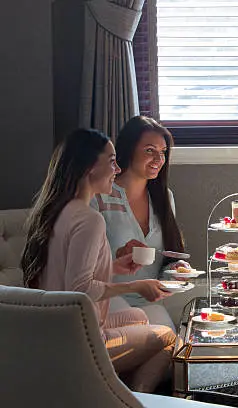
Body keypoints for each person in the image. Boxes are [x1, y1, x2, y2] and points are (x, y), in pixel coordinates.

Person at [21, 129, 176, 393]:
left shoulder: (57, 211)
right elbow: (80, 289)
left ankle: (109, 392)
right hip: (81, 339)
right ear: (91, 167)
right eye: (112, 161)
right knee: (168, 337)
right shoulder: (90, 220)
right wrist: (136, 286)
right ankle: (133, 400)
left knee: (139, 317)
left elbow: (67, 271)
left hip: (55, 328)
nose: (117, 170)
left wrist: (113, 267)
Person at [91, 116, 189, 307]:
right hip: (107, 301)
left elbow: (162, 263)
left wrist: (175, 269)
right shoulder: (99, 198)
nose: (159, 159)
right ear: (128, 150)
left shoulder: (165, 198)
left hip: (151, 302)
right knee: (163, 336)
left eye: (163, 152)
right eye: (149, 150)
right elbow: (81, 270)